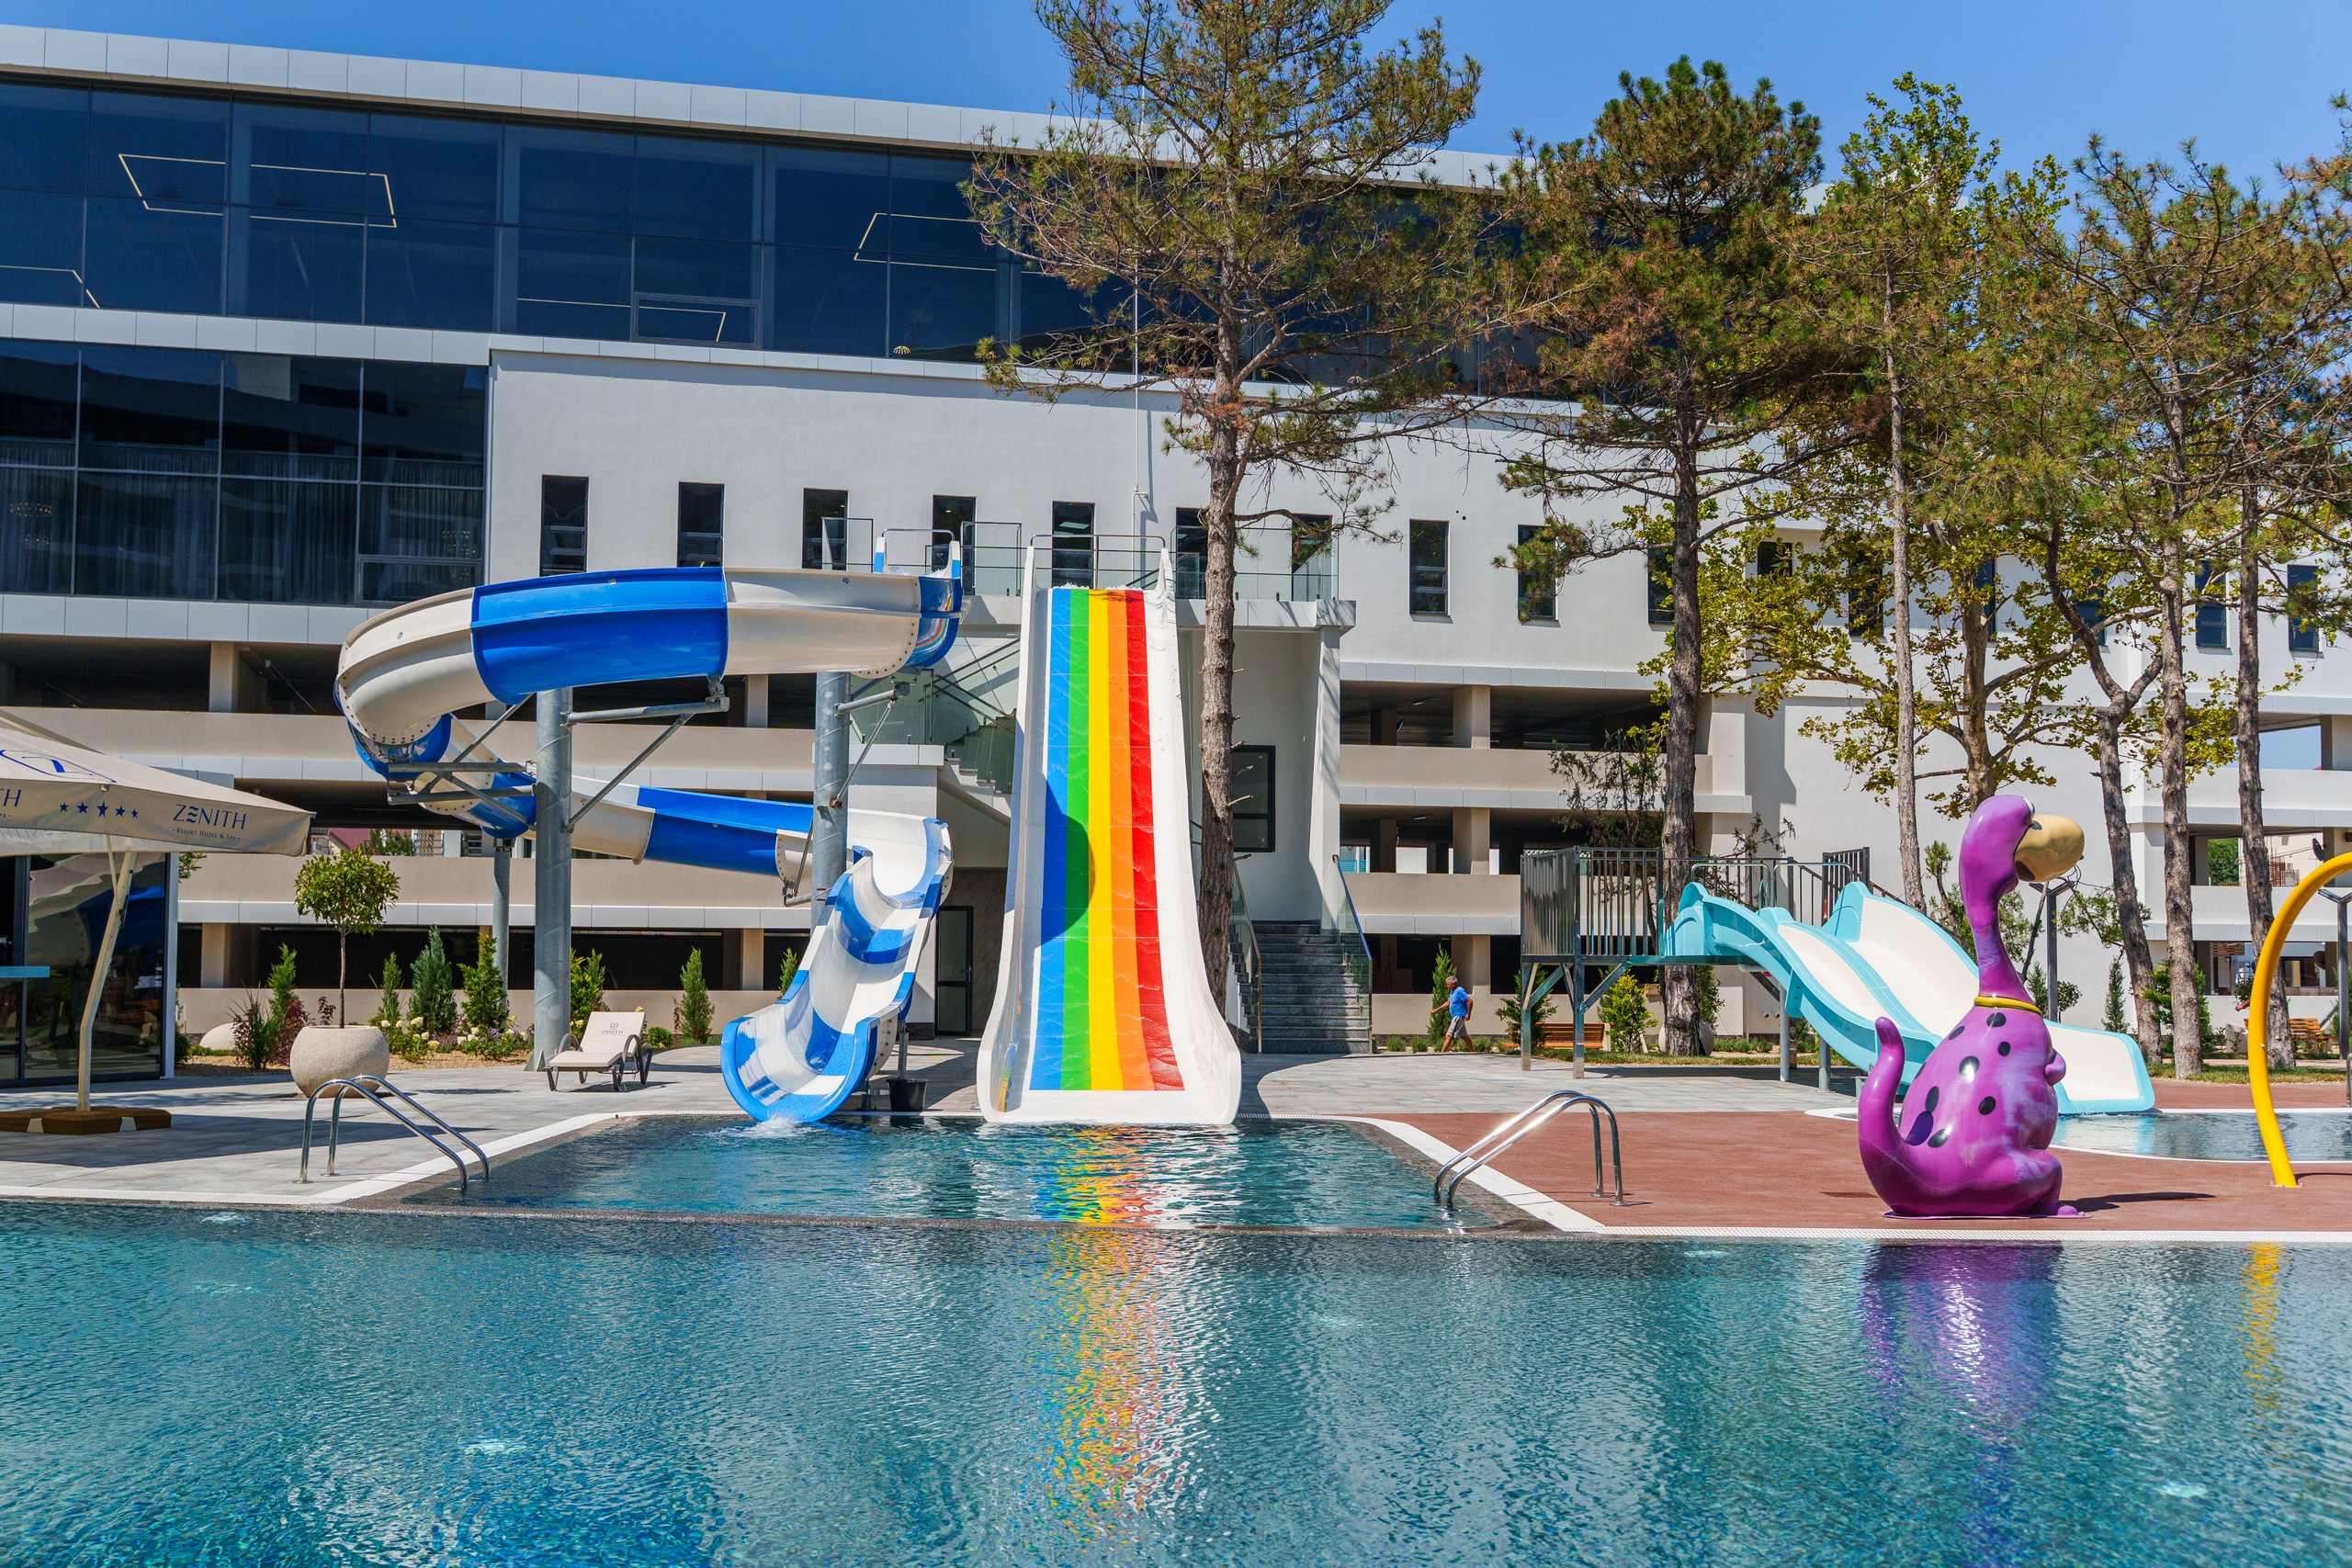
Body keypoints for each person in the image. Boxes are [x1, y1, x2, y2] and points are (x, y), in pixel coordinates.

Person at [1444, 977, 1472, 1049]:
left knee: (1449, 1035)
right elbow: (1448, 1003)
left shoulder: (1459, 991)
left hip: (1458, 1016)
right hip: (1455, 1016)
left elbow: (1470, 1001)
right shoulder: (1452, 992)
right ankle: (1472, 1052)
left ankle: (1441, 1053)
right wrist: (1436, 1010)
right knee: (1464, 1036)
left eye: (1448, 984)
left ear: (1453, 985)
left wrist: (1468, 1015)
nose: (1447, 986)